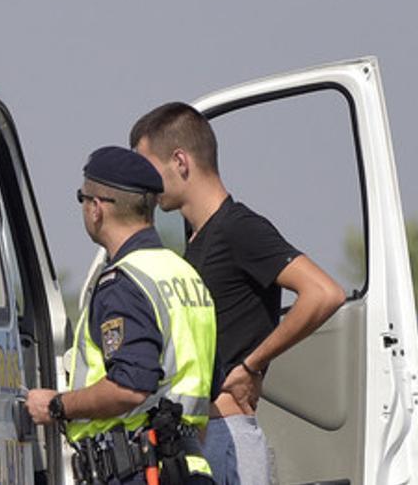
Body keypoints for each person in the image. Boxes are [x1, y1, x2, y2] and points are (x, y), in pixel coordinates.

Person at [131, 102, 346, 485]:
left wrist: (251, 365)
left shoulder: (237, 228)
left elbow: (324, 293)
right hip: (201, 441)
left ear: (181, 161)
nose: (146, 186)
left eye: (149, 171)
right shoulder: (196, 241)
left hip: (226, 436)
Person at [26, 146, 217, 485]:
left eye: (82, 198)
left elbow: (130, 387)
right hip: (188, 465)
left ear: (97, 208)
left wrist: (58, 406)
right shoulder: (185, 275)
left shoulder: (125, 283)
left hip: (139, 470)